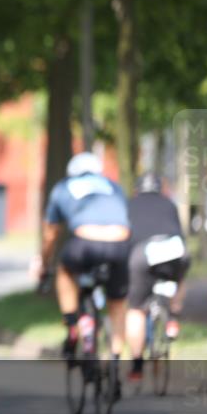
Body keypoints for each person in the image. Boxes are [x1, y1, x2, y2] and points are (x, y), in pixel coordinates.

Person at [39, 152, 131, 385]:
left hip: (84, 244)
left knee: (65, 272)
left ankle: (72, 324)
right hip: (119, 244)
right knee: (118, 306)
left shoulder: (63, 187)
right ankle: (115, 361)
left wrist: (45, 263)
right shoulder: (112, 186)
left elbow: (51, 233)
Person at [125, 172, 190, 384]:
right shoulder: (169, 204)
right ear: (160, 188)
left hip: (143, 254)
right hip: (175, 250)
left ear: (137, 189)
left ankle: (136, 365)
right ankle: (172, 317)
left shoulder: (129, 204)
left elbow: (126, 239)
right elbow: (179, 233)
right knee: (179, 279)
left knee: (135, 309)